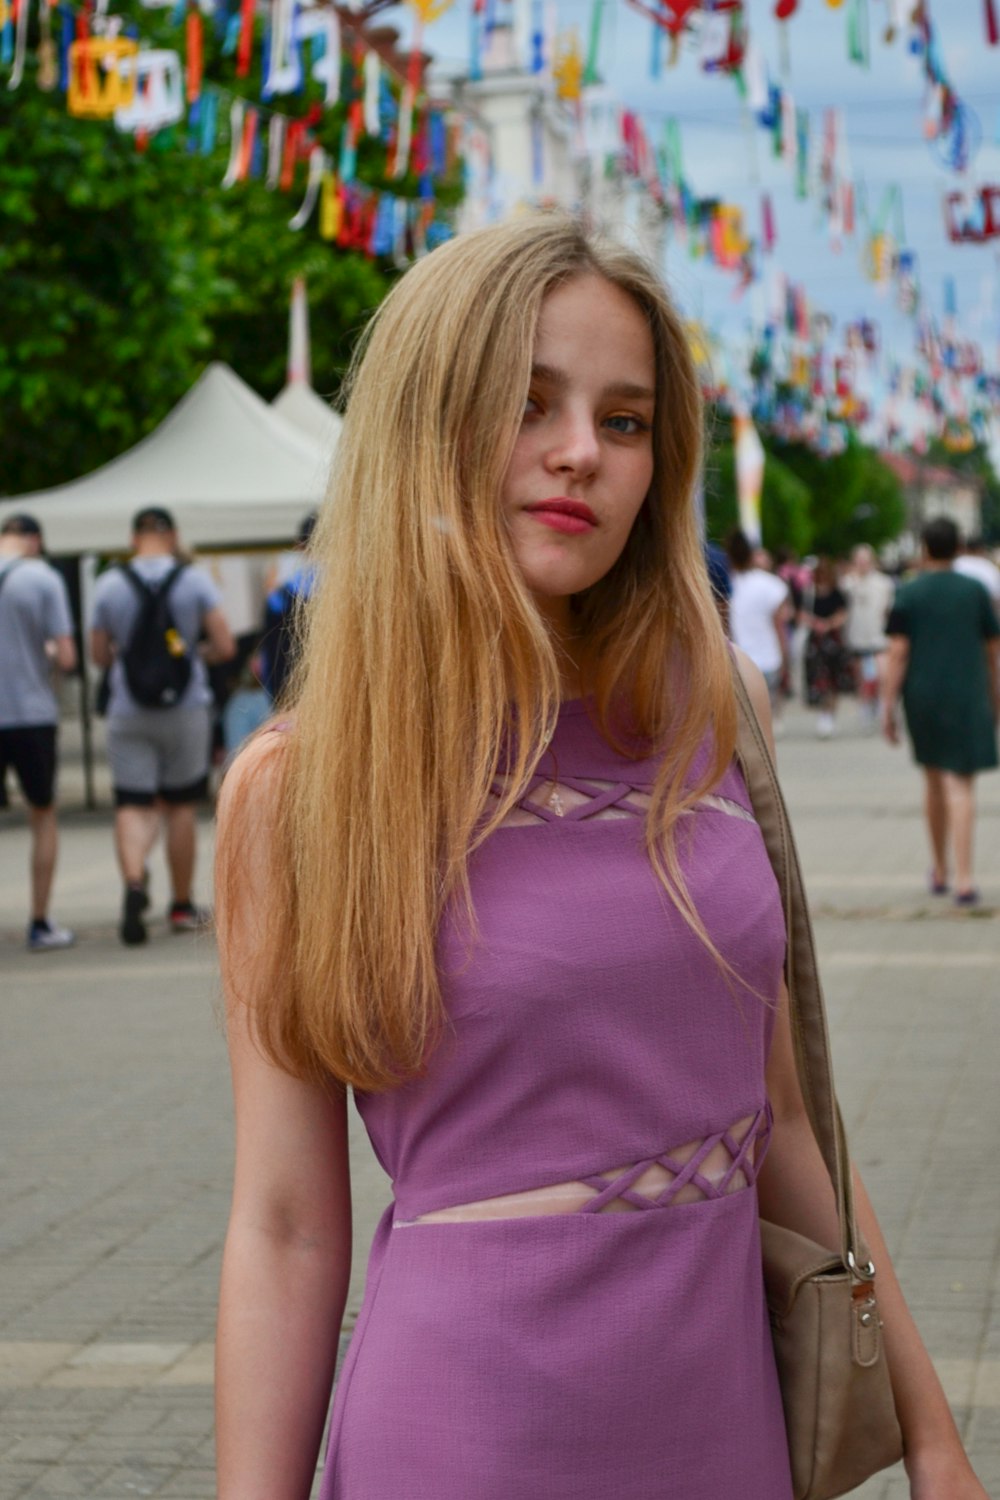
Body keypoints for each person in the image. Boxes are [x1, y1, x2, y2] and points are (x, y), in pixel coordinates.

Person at [214, 217, 986, 1500]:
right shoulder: (299, 788)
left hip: (724, 1416)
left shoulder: (715, 712)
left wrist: (936, 1440)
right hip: (462, 1433)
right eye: (525, 404)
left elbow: (791, 1128)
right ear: (424, 423)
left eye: (624, 422)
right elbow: (286, 1226)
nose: (581, 452)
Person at [89, 507, 235, 945]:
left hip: (129, 710)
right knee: (181, 807)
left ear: (134, 539)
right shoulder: (194, 581)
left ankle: (135, 883)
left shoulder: (109, 584)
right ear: (172, 536)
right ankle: (181, 904)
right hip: (185, 709)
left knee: (133, 805)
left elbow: (99, 656)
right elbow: (225, 645)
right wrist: (192, 654)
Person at [882, 516, 999, 905]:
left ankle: (940, 869)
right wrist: (995, 694)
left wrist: (887, 705)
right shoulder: (976, 591)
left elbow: (898, 652)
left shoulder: (909, 593)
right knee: (960, 784)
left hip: (923, 696)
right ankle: (965, 879)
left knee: (933, 778)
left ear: (925, 548)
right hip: (967, 694)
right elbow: (993, 650)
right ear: (958, 548)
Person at [0, 514, 78, 950]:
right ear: (34, 540)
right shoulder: (43, 578)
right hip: (30, 712)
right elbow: (66, 656)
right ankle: (40, 921)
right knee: (42, 814)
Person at [724, 527, 789, 724]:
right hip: (768, 657)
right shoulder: (772, 585)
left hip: (736, 658)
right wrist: (785, 657)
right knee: (764, 719)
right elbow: (779, 625)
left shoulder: (723, 584)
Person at [258, 511, 318, 704]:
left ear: (299, 545)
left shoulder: (280, 597)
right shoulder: (354, 591)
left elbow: (268, 655)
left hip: (292, 696)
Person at [800, 555, 853, 738]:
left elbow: (842, 613)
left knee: (833, 677)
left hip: (832, 640)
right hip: (816, 641)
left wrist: (828, 624)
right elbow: (802, 614)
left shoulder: (837, 592)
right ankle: (823, 713)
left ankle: (829, 714)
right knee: (819, 677)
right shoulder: (809, 593)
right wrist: (815, 623)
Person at [843, 543, 895, 730]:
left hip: (879, 636)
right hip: (857, 637)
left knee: (882, 675)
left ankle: (882, 707)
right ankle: (865, 707)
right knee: (861, 678)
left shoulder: (883, 583)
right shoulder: (848, 583)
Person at [954, 534, 1000, 620]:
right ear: (982, 549)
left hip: (957, 616)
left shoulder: (954, 565)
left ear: (965, 548)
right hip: (983, 619)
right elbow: (997, 600)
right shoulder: (990, 568)